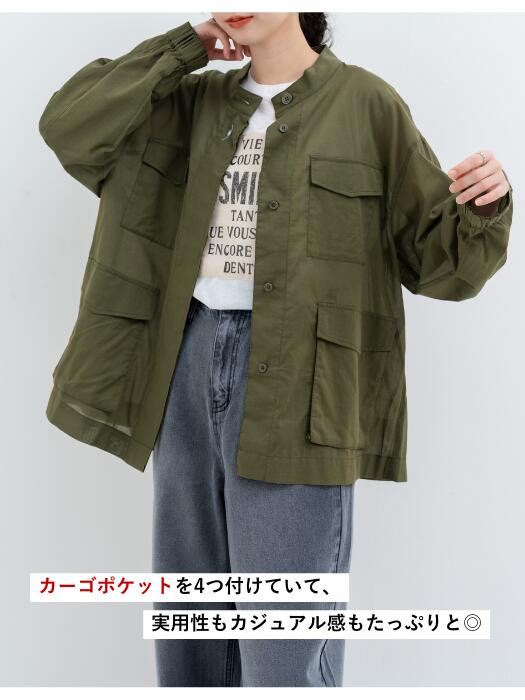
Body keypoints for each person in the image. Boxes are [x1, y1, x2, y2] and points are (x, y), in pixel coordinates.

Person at [39, 11, 513, 688]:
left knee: (283, 646)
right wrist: (181, 48)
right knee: (191, 631)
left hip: (302, 382)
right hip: (181, 365)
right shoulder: (188, 102)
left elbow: (440, 264)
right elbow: (70, 127)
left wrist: (482, 208)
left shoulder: (366, 105)